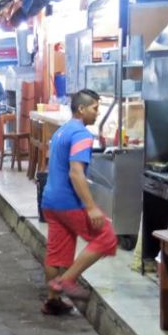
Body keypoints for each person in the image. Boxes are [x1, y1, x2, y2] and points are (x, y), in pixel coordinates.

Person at [41, 88, 118, 314]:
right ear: (81, 109)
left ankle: (52, 302)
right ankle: (67, 281)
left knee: (56, 254)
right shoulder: (82, 135)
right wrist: (91, 207)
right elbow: (76, 173)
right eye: (95, 108)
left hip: (50, 200)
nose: (97, 113)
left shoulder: (62, 131)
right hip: (68, 202)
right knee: (107, 237)